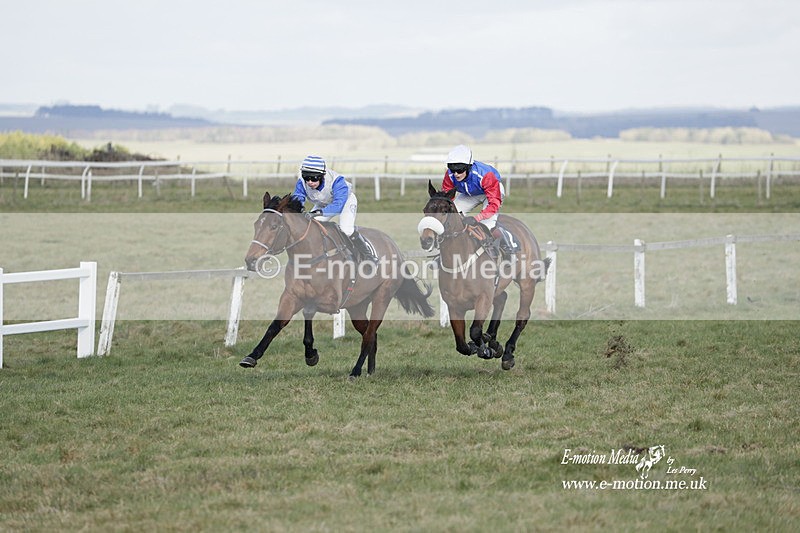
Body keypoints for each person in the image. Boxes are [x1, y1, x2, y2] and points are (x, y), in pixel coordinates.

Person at [292, 155, 377, 262]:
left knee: (346, 229)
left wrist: (319, 212)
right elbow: (297, 198)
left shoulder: (336, 181)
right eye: (306, 177)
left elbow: (338, 206)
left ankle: (369, 256)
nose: (309, 182)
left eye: (313, 178)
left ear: (322, 176)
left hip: (345, 201)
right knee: (310, 226)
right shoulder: (302, 183)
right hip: (323, 203)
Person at [441, 144, 516, 256]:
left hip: (491, 193)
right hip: (470, 193)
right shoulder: (450, 175)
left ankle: (507, 245)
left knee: (487, 224)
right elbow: (447, 196)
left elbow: (493, 204)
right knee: (451, 216)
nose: (456, 174)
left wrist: (477, 218)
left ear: (468, 167)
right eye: (452, 169)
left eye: (460, 170)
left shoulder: (485, 175)